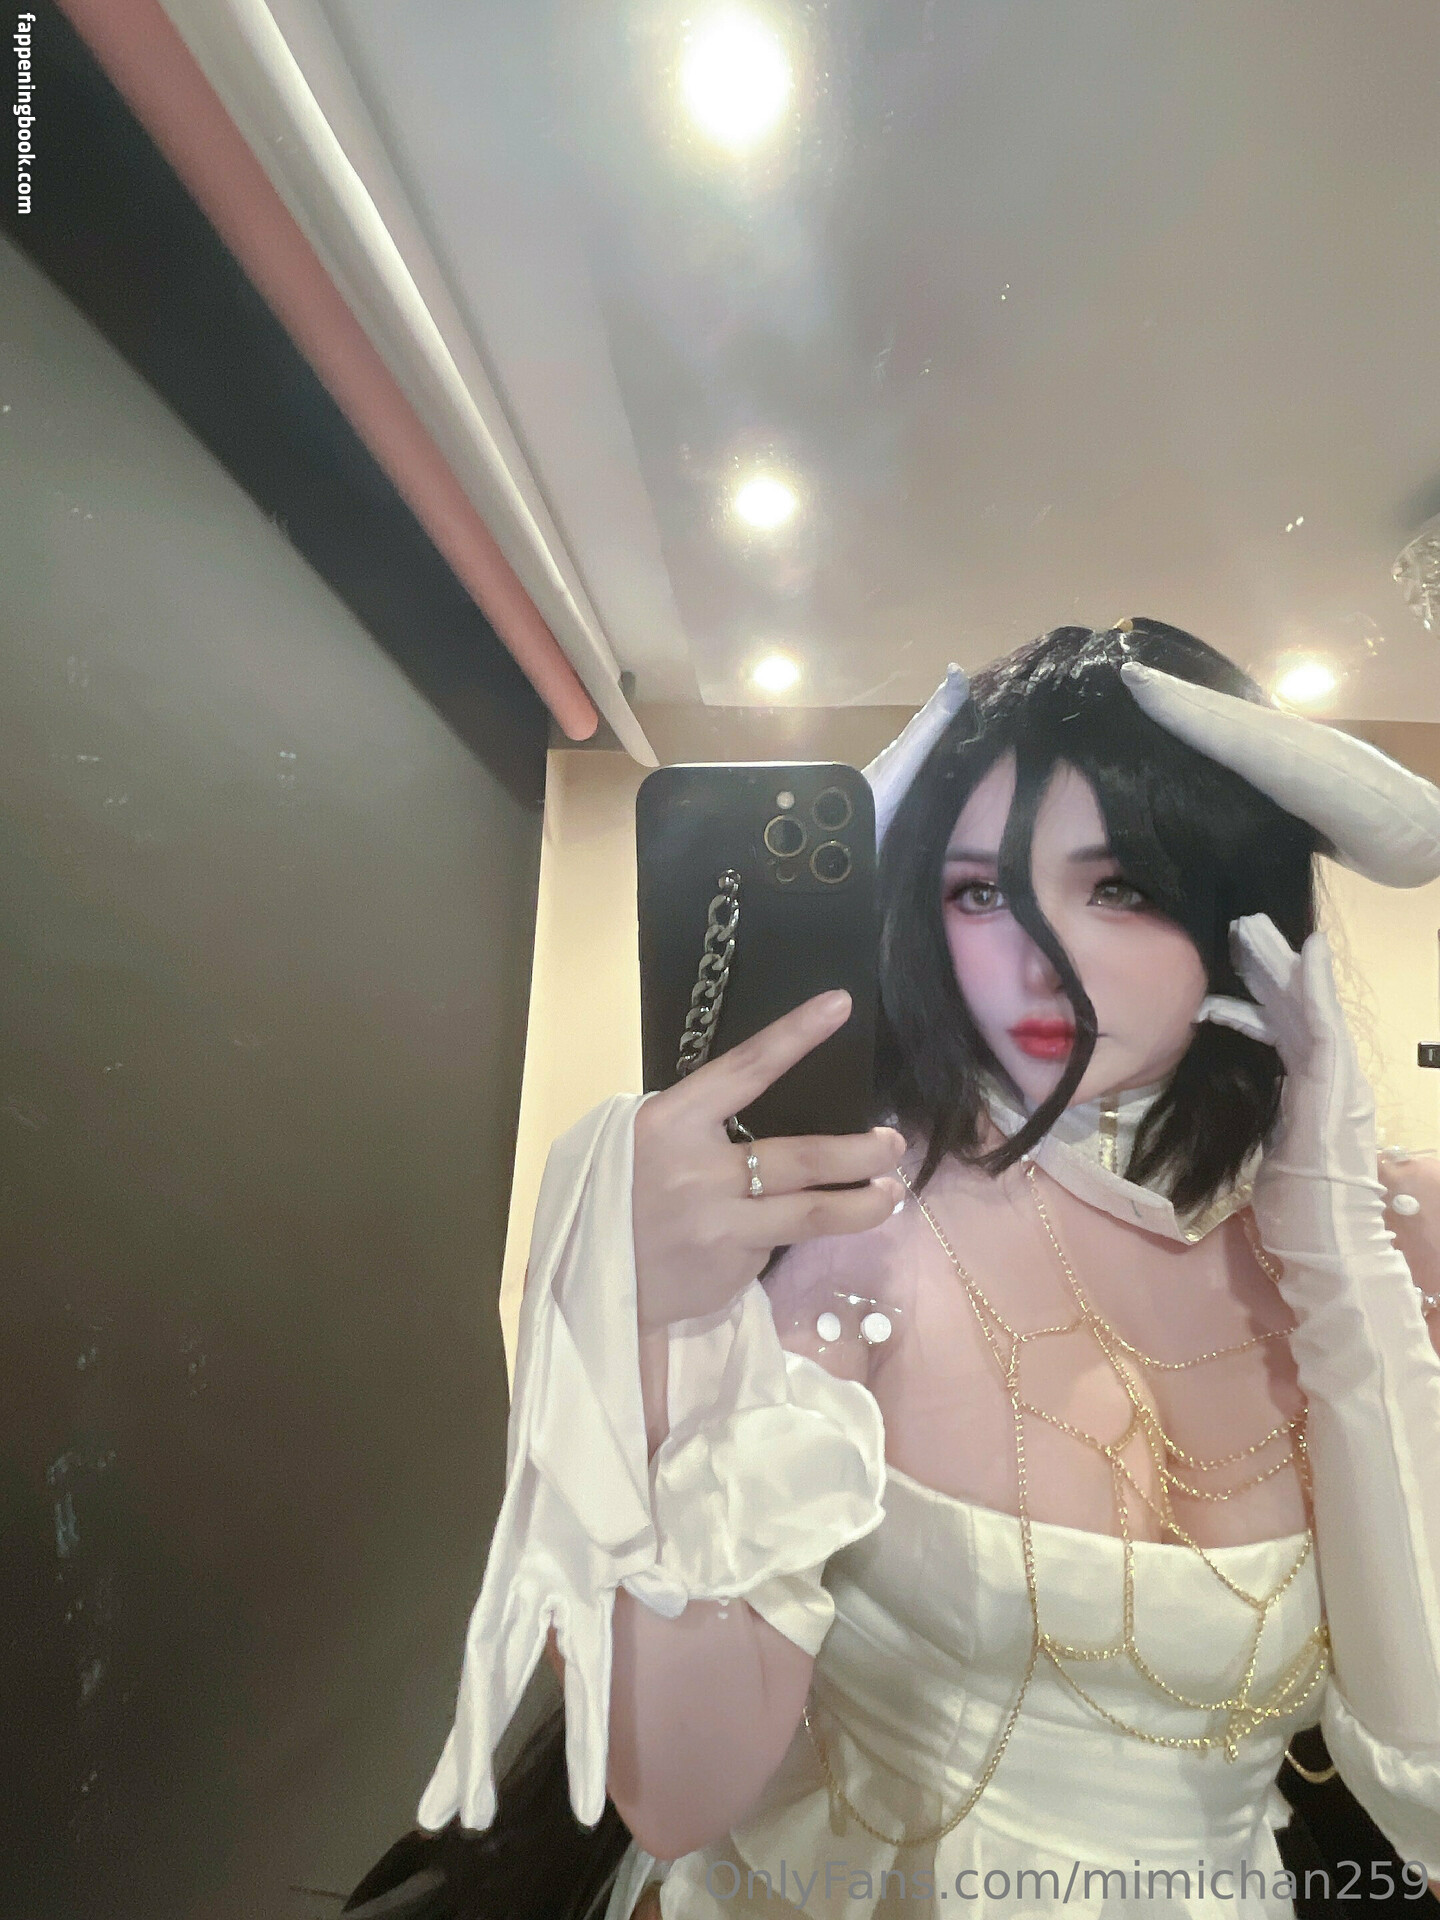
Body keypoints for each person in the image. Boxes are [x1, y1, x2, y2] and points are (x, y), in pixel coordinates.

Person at [361, 622, 1440, 1919]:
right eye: (980, 893)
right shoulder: (858, 1221)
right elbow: (680, 1792)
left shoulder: (1391, 1239)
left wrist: (1343, 1259)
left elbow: (1422, 1784)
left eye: (1118, 887)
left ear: (1239, 903)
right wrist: (661, 1331)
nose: (1036, 955)